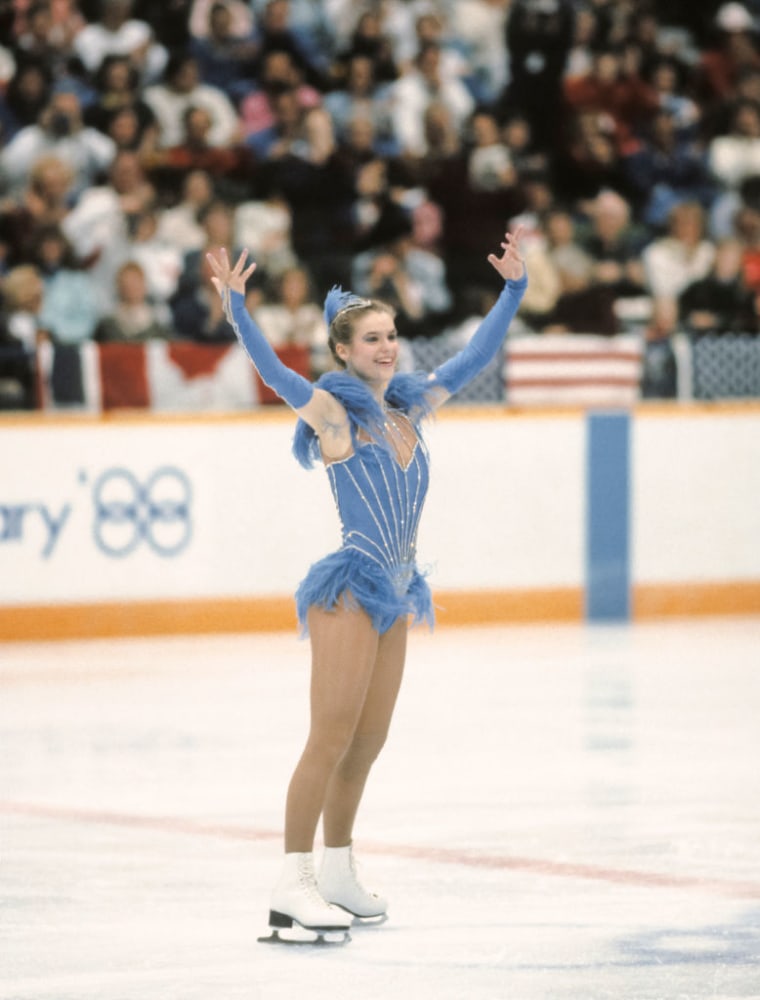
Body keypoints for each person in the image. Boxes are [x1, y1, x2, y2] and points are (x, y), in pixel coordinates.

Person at [205, 226, 527, 942]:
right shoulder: (335, 415)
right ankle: (292, 883)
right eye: (371, 339)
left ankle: (341, 869)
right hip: (350, 593)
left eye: (391, 335)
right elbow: (276, 377)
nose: (387, 347)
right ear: (344, 353)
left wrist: (514, 291)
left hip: (399, 591)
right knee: (328, 738)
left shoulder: (410, 409)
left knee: (368, 742)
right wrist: (239, 313)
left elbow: (474, 356)